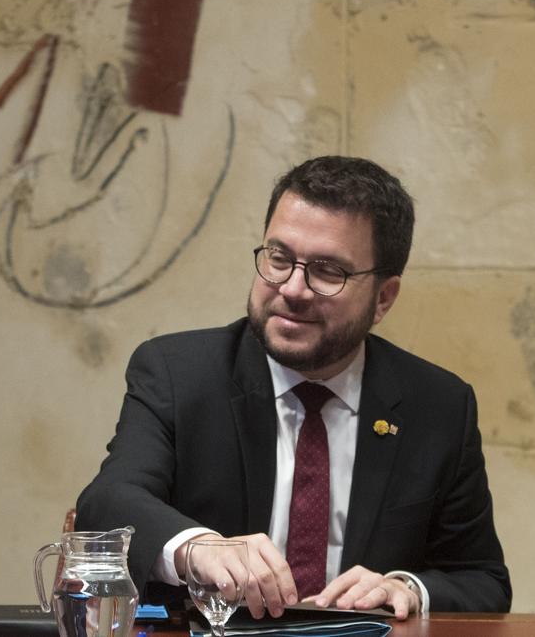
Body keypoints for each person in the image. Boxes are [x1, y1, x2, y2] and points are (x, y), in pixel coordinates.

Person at [76, 156, 510, 621]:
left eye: (328, 271)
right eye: (279, 258)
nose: (293, 288)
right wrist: (197, 547)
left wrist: (406, 588)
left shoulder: (438, 405)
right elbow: (109, 501)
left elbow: (482, 580)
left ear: (383, 298)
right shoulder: (179, 374)